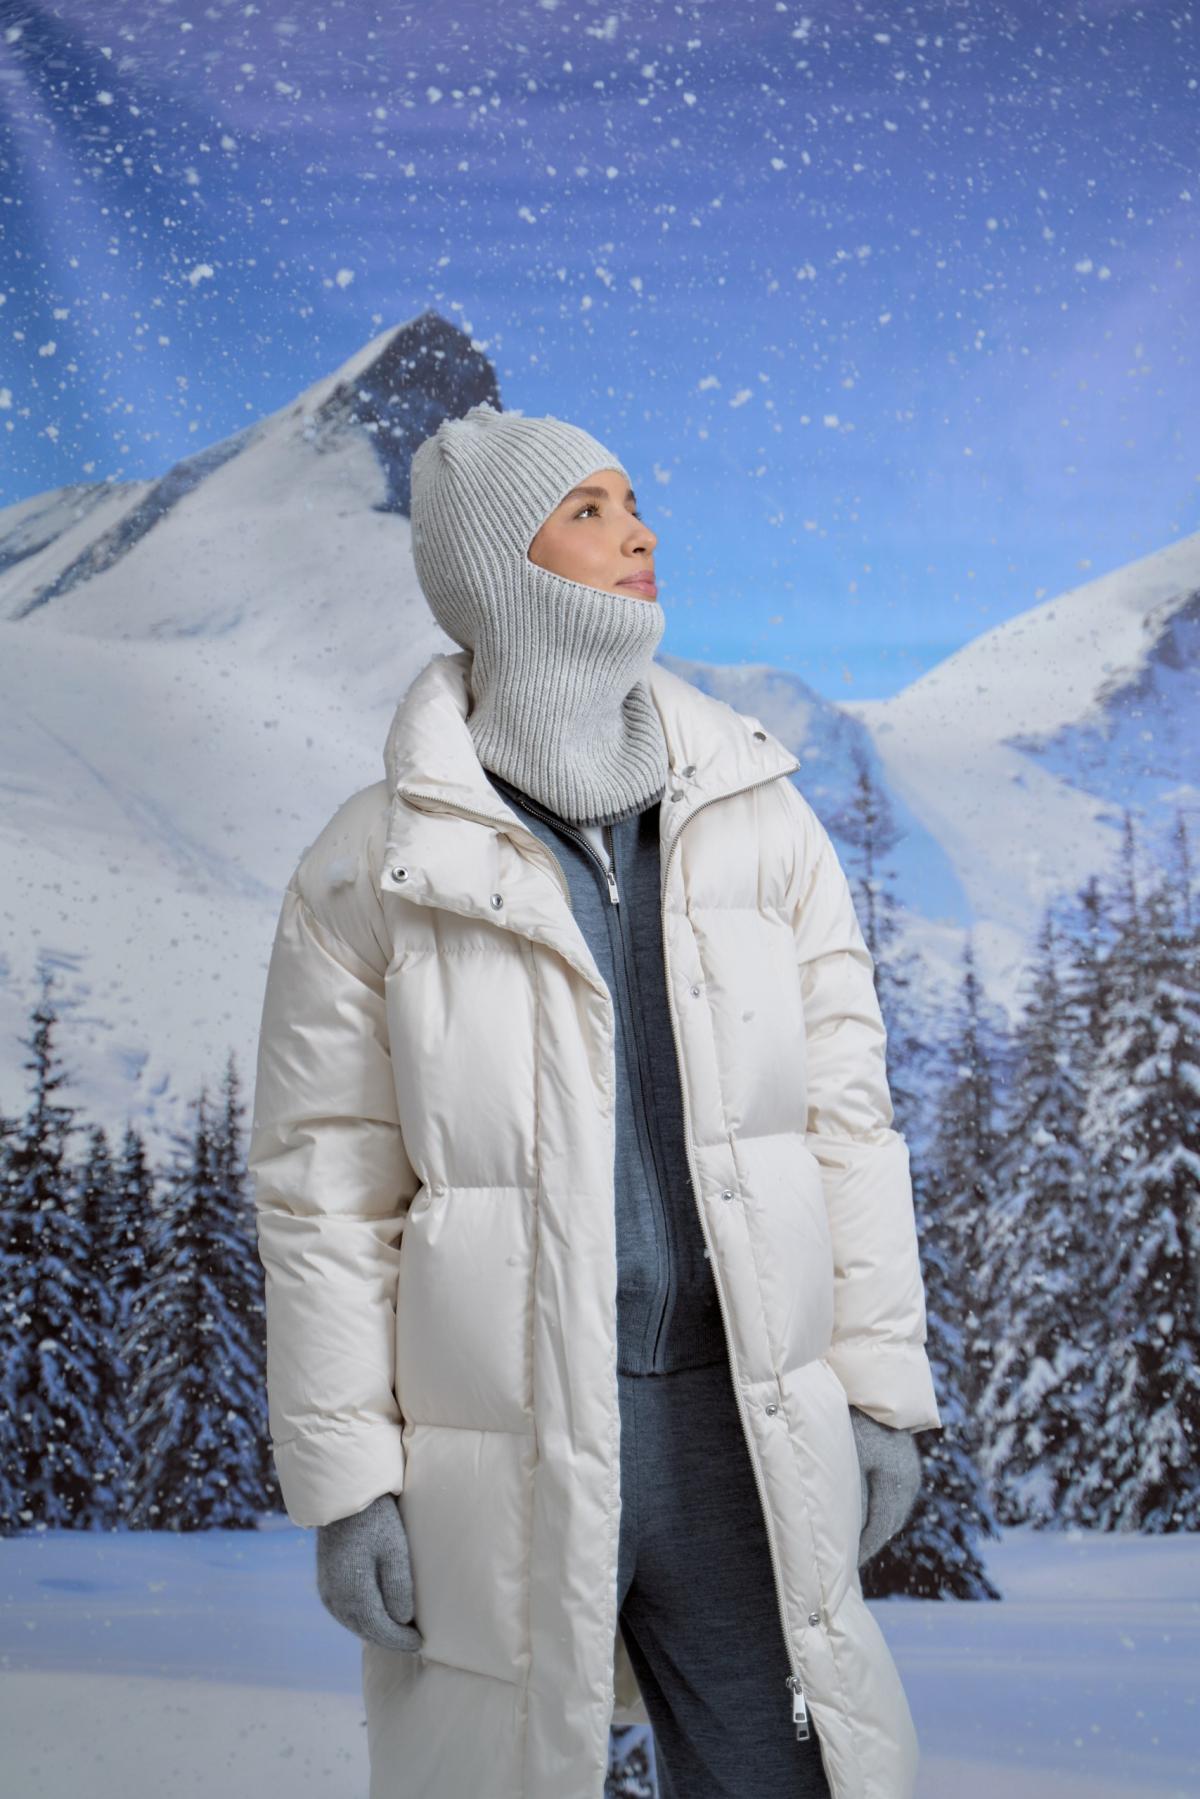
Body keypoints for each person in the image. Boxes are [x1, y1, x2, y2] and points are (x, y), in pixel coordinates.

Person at [248, 402, 943, 1799]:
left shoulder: (758, 816)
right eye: (590, 509)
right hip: (499, 1445)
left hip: (741, 1430)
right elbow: (326, 1197)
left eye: (633, 501)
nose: (640, 532)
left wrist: (878, 1393)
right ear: (497, 568)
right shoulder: (373, 865)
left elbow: (846, 1130)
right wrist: (348, 1483)